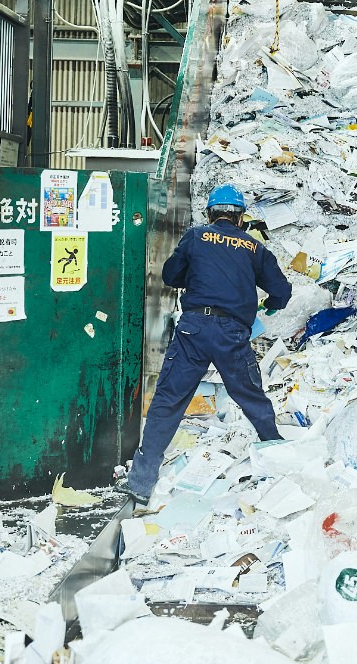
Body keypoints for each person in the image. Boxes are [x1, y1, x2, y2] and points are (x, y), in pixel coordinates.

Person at [118, 182, 292, 505]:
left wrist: (198, 275)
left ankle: (140, 484)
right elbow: (282, 291)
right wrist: (269, 306)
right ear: (240, 219)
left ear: (210, 213)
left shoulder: (197, 237)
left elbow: (170, 275)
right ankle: (280, 463)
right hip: (233, 335)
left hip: (193, 331)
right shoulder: (255, 249)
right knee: (252, 398)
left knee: (169, 401)